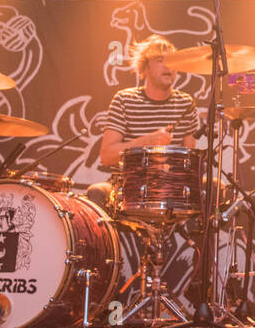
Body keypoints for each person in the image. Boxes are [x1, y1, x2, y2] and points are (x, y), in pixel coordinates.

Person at [86, 35, 200, 207]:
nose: (168, 66)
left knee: (213, 188)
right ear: (144, 67)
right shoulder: (124, 99)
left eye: (172, 61)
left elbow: (190, 162)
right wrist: (148, 141)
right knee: (97, 192)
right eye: (160, 60)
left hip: (172, 187)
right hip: (127, 186)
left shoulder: (186, 103)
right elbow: (107, 156)